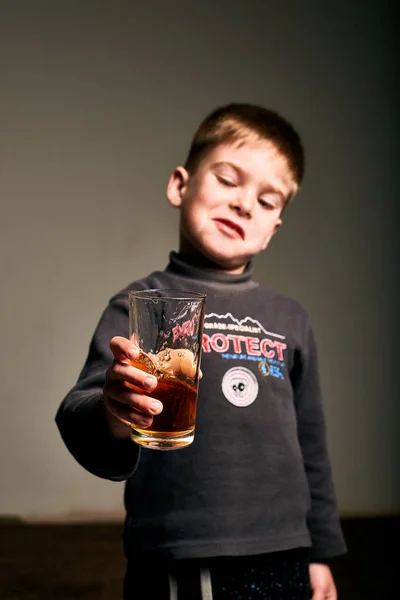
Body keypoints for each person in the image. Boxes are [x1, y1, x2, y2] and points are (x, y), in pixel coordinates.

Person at [56, 103, 346, 599]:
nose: (244, 204)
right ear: (180, 186)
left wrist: (320, 552)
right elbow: (77, 413)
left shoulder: (291, 318)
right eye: (228, 180)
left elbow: (311, 446)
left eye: (268, 199)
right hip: (178, 553)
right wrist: (114, 411)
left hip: (285, 553)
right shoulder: (140, 305)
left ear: (274, 228)